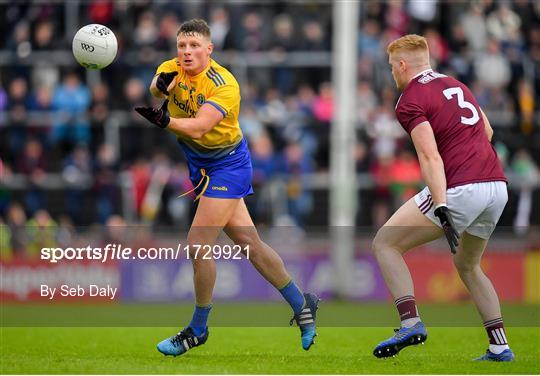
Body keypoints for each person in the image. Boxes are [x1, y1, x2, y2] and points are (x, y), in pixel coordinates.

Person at [134, 19, 319, 357]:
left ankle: (198, 328)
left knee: (198, 243)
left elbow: (201, 128)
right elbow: (156, 87)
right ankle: (302, 303)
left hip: (228, 165)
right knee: (250, 243)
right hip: (201, 166)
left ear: (209, 49)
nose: (186, 52)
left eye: (194, 47)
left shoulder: (225, 84)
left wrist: (165, 120)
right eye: (182, 46)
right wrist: (158, 89)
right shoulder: (171, 67)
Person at [372, 34, 513, 361]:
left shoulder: (410, 99)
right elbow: (487, 133)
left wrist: (441, 203)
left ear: (403, 65)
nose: (392, 72)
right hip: (496, 186)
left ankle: (411, 323)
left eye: (393, 66)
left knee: (385, 243)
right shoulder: (456, 85)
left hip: (461, 188)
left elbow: (430, 156)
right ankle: (500, 346)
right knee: (468, 264)